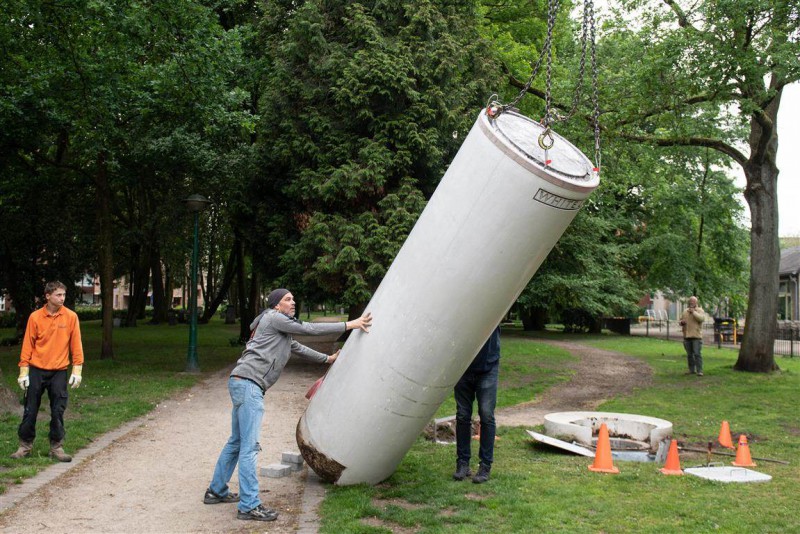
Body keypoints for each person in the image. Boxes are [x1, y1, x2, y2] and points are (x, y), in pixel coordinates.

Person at [204, 288, 372, 522]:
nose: (293, 302)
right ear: (276, 305)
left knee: (236, 441)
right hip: (249, 384)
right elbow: (308, 329)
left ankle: (216, 490)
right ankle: (249, 505)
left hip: (242, 382)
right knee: (249, 447)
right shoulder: (274, 319)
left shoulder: (278, 330)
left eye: (293, 298)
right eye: (287, 299)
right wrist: (349, 324)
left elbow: (298, 347)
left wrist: (327, 359)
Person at [11, 281, 84, 462]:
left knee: (58, 410)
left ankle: (57, 447)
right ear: (48, 296)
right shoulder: (35, 317)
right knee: (30, 409)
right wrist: (23, 371)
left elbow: (76, 344)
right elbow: (28, 345)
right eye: (58, 295)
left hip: (59, 371)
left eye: (64, 295)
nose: (62, 298)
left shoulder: (71, 317)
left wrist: (77, 369)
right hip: (36, 369)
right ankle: (24, 446)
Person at [453, 325, 501, 484]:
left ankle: (485, 466)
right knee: (462, 414)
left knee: (486, 415)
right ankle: (463, 464)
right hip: (462, 367)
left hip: (488, 367)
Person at [679, 296, 706, 376]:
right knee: (689, 354)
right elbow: (680, 320)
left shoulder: (700, 310)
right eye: (690, 301)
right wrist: (681, 322)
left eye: (693, 301)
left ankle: (699, 371)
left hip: (696, 336)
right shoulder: (685, 311)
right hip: (687, 336)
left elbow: (701, 319)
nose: (691, 302)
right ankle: (691, 370)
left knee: (697, 354)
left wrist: (693, 312)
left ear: (696, 302)